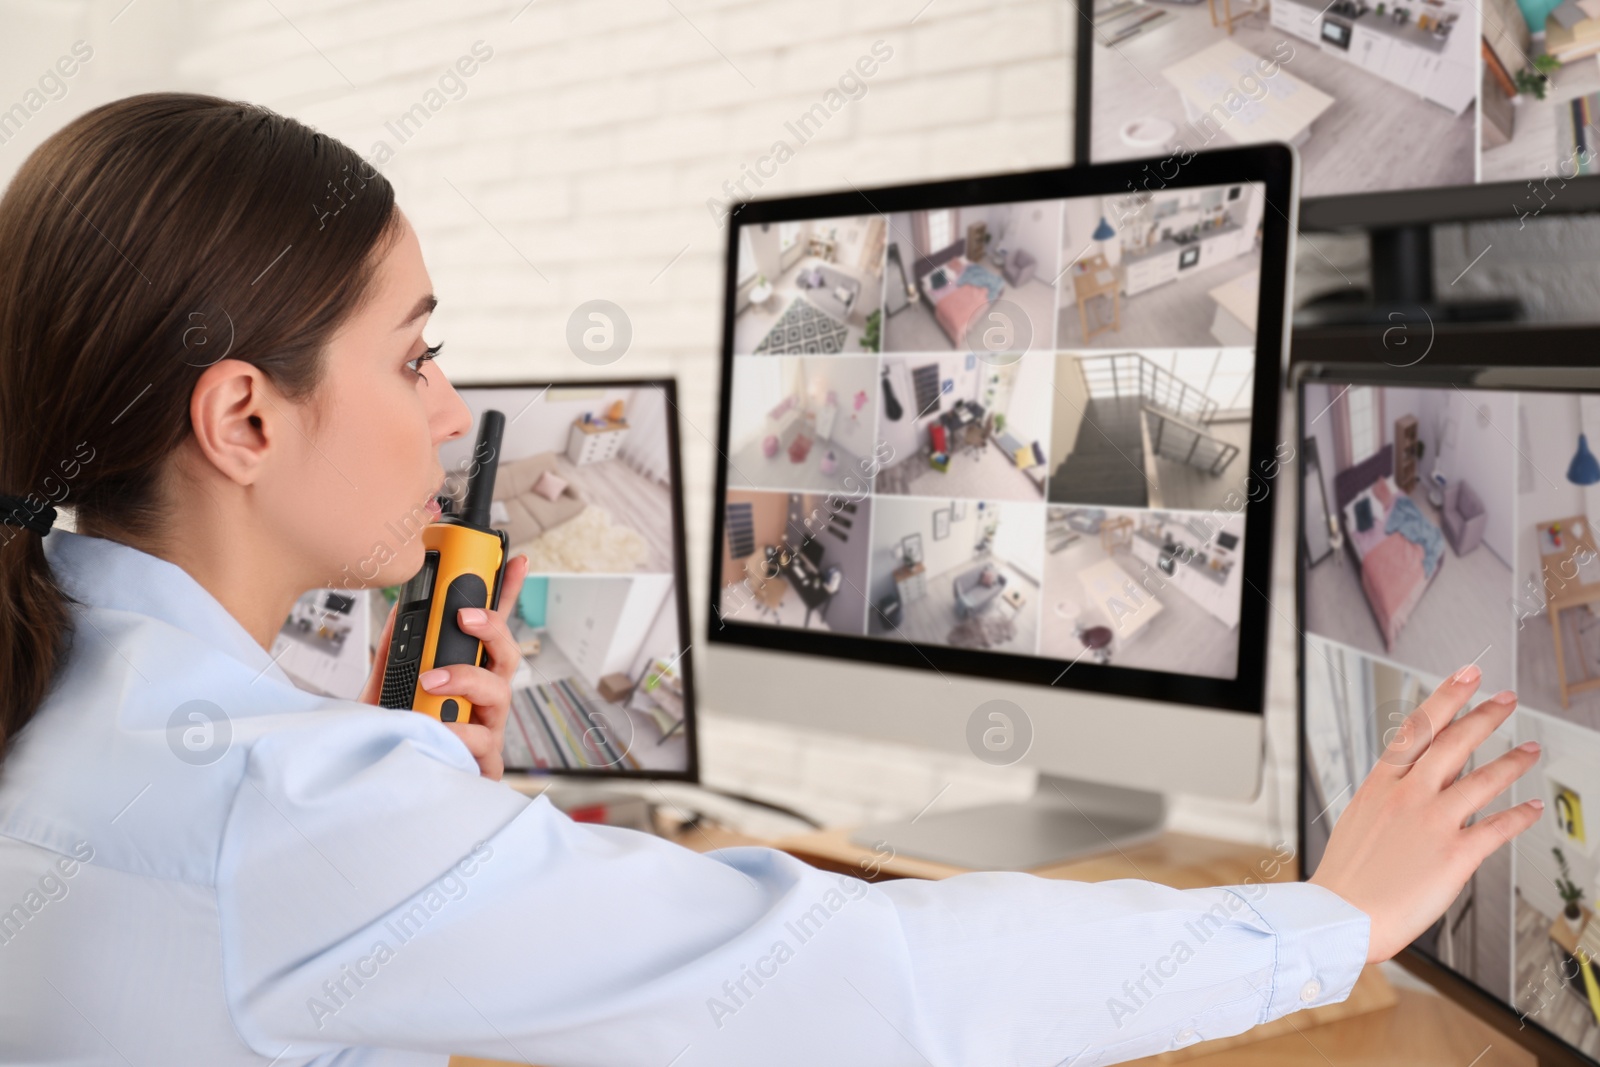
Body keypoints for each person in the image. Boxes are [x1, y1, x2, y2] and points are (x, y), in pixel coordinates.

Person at [0, 93, 1544, 1067]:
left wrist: (410, 808)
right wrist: (1329, 923)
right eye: (415, 355)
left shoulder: (82, 684)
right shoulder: (292, 810)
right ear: (245, 419)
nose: (454, 410)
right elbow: (861, 989)